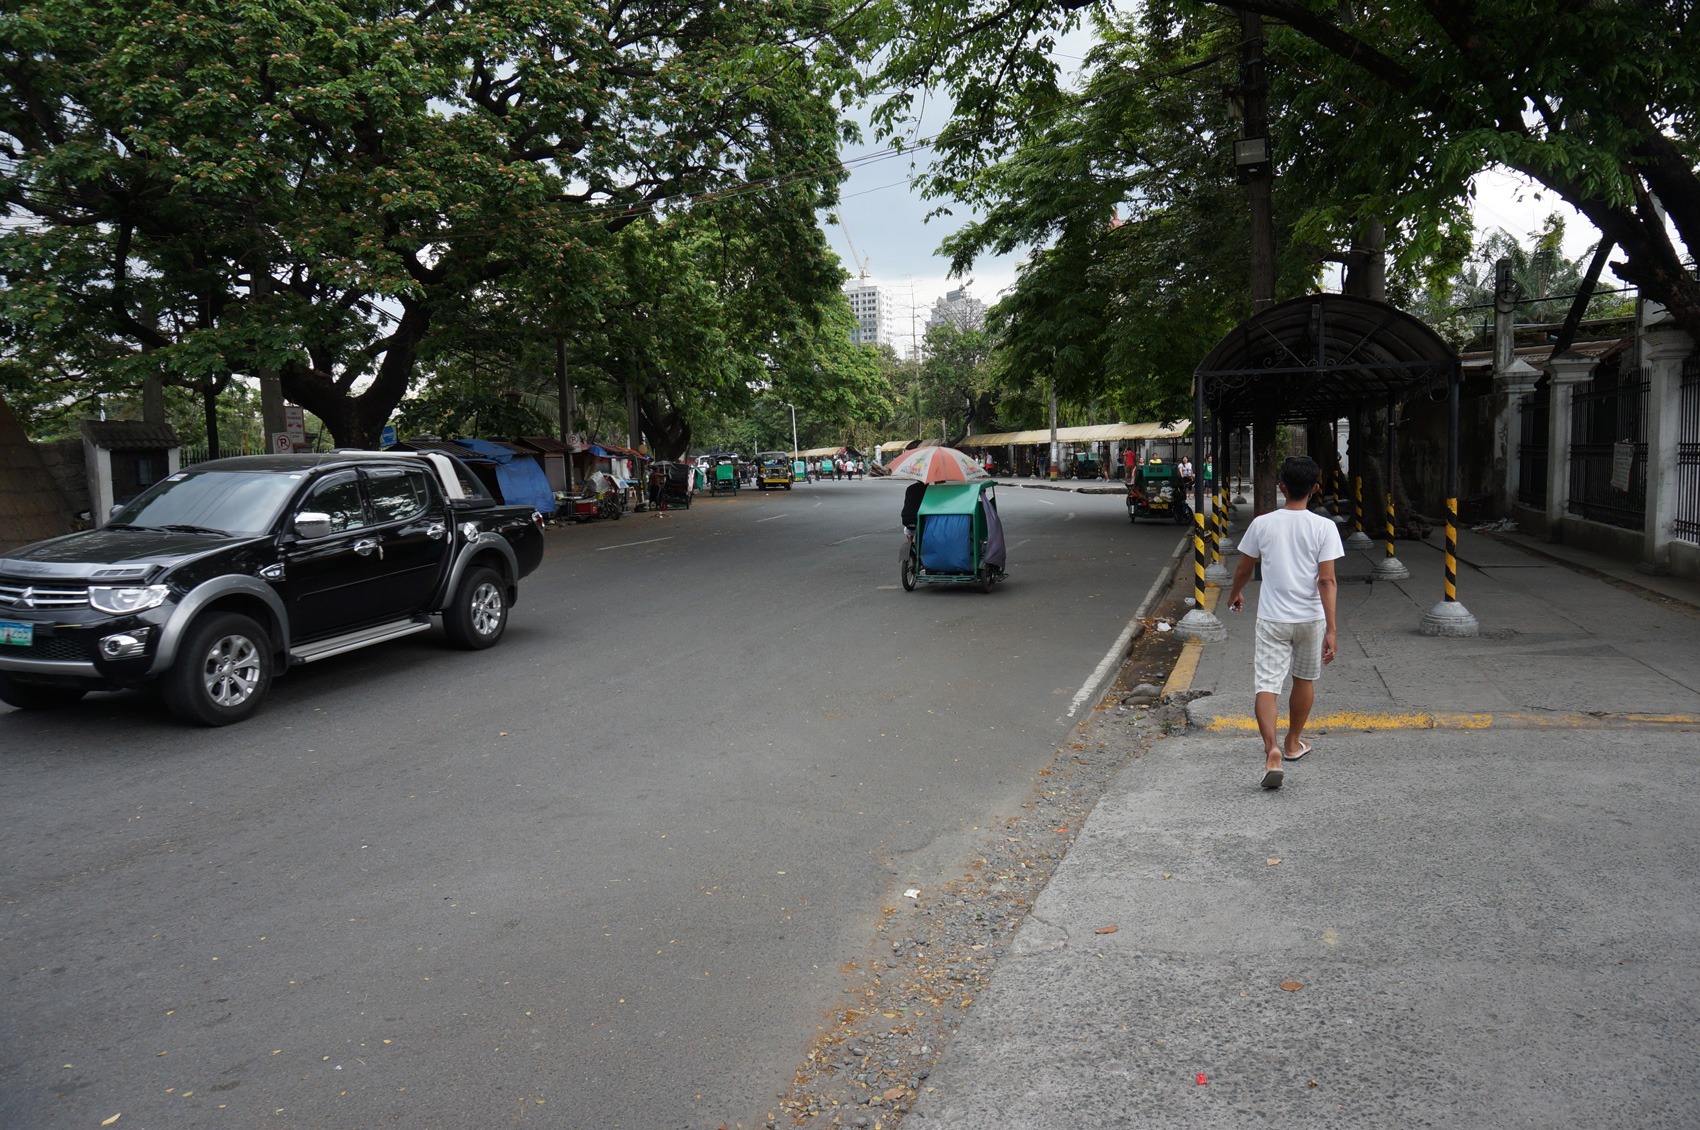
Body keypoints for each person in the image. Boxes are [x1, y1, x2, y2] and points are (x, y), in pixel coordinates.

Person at [1226, 455, 1343, 790]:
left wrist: (1235, 593)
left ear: (1282, 487)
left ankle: (1271, 750)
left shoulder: (1263, 524)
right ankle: (1293, 743)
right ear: (1316, 489)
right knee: (1304, 680)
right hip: (1310, 618)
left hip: (1272, 618)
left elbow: (1245, 568)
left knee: (1267, 685)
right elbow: (1327, 582)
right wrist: (1332, 630)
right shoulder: (1324, 528)